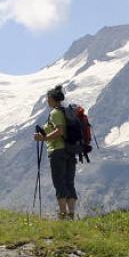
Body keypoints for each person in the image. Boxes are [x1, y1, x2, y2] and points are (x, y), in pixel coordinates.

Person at [34, 85, 77, 219]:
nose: (47, 101)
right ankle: (71, 215)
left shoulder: (55, 112)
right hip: (71, 150)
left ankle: (62, 215)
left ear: (52, 98)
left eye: (48, 98)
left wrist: (43, 138)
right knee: (69, 182)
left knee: (59, 182)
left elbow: (60, 131)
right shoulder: (66, 111)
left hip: (58, 152)